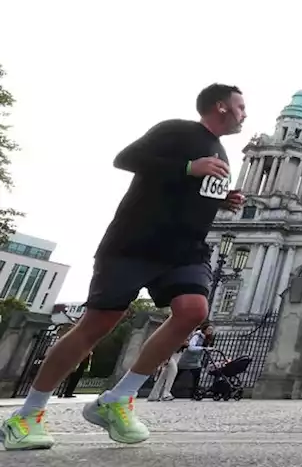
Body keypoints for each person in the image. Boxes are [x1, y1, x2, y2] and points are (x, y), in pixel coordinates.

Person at [4, 84, 247, 451]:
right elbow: (126, 158)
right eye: (241, 106)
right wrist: (188, 167)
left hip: (184, 251)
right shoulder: (176, 130)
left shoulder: (221, 151)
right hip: (135, 243)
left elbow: (188, 194)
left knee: (193, 311)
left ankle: (119, 397)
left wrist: (221, 198)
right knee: (97, 325)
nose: (246, 113)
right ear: (221, 107)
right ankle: (27, 413)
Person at [175, 323, 214, 398]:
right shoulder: (197, 336)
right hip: (187, 359)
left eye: (211, 330)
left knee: (197, 377)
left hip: (196, 361)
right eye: (209, 329)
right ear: (204, 329)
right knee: (177, 375)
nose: (210, 331)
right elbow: (190, 347)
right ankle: (168, 389)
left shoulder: (207, 338)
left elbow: (205, 348)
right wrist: (202, 348)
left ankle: (194, 393)